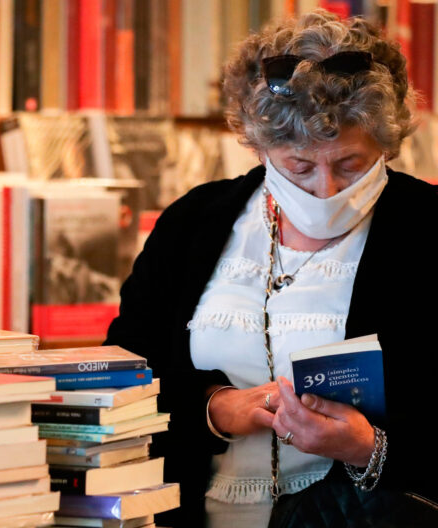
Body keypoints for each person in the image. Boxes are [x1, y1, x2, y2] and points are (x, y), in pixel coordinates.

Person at [104, 10, 438, 528]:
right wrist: (214, 411)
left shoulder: (431, 231)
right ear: (258, 147)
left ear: (387, 145)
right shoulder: (194, 222)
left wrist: (370, 448)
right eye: (299, 166)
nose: (326, 190)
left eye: (350, 164)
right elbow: (123, 372)